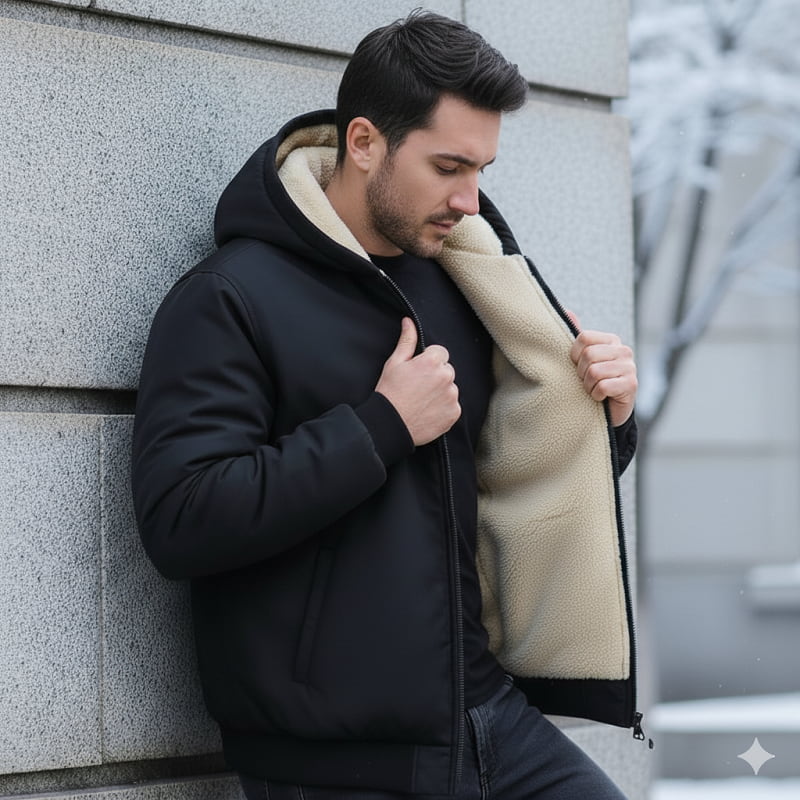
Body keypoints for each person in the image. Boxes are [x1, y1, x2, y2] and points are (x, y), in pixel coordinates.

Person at [132, 10, 642, 799]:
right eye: (448, 167)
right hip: (340, 760)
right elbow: (182, 518)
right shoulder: (230, 297)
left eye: (481, 169)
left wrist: (607, 415)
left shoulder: (466, 280)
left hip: (487, 717)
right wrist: (382, 426)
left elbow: (511, 476)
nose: (470, 200)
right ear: (365, 142)